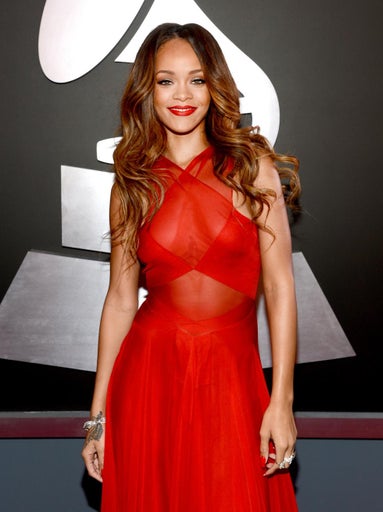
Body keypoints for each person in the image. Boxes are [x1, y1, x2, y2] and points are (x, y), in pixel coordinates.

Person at [80, 23, 300, 510]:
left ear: (214, 85)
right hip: (150, 377)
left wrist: (282, 400)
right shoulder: (133, 183)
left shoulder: (252, 169)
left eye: (196, 79)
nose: (182, 94)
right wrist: (98, 418)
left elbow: (280, 286)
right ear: (148, 90)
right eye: (166, 81)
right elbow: (120, 301)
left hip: (231, 377)